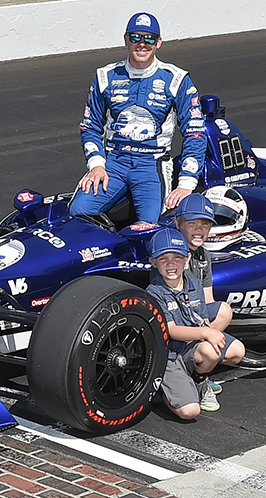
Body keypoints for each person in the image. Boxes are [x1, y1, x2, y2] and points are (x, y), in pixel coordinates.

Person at [70, 12, 206, 223]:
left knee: (152, 227)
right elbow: (90, 126)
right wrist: (96, 164)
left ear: (159, 42)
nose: (142, 44)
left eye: (149, 38)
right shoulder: (105, 76)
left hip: (153, 165)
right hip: (113, 162)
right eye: (135, 37)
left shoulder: (176, 79)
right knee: (77, 213)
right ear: (126, 39)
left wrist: (186, 184)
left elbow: (195, 132)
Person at [145, 228, 246, 418]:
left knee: (222, 350)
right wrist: (207, 334)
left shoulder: (194, 284)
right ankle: (164, 387)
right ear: (153, 262)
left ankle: (199, 379)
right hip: (170, 354)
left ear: (187, 259)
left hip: (190, 347)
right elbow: (171, 329)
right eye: (163, 259)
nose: (171, 264)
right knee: (190, 412)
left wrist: (208, 335)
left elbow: (203, 320)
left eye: (177, 257)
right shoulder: (154, 292)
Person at [174, 192, 234, 394]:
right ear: (178, 223)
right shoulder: (172, 254)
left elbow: (208, 299)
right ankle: (185, 367)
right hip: (177, 322)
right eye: (193, 223)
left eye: (205, 224)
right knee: (224, 312)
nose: (200, 229)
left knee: (237, 352)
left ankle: (195, 367)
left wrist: (206, 328)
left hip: (196, 320)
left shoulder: (204, 255)